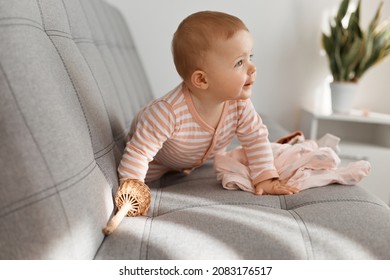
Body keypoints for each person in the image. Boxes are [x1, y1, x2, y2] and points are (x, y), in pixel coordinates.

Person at [118, 11, 300, 196]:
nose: (252, 68)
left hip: (193, 160)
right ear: (202, 80)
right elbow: (139, 153)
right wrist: (132, 189)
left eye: (250, 57)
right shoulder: (166, 113)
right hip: (157, 163)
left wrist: (265, 177)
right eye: (239, 63)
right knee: (140, 169)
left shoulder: (238, 105)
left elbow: (255, 137)